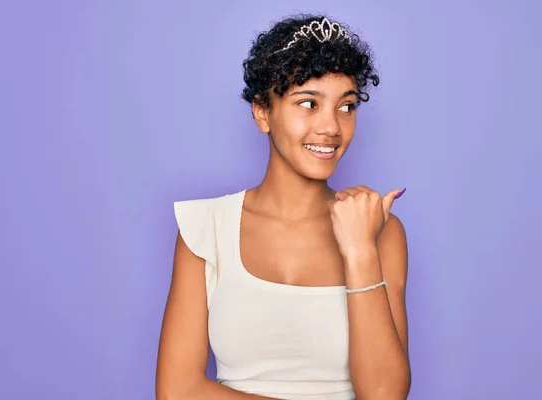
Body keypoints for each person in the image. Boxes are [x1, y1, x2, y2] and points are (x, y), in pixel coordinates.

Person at [156, 14, 411, 400]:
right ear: (262, 112)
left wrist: (360, 251)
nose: (331, 128)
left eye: (346, 106)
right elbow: (177, 391)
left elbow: (384, 394)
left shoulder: (380, 230)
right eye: (308, 103)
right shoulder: (205, 228)